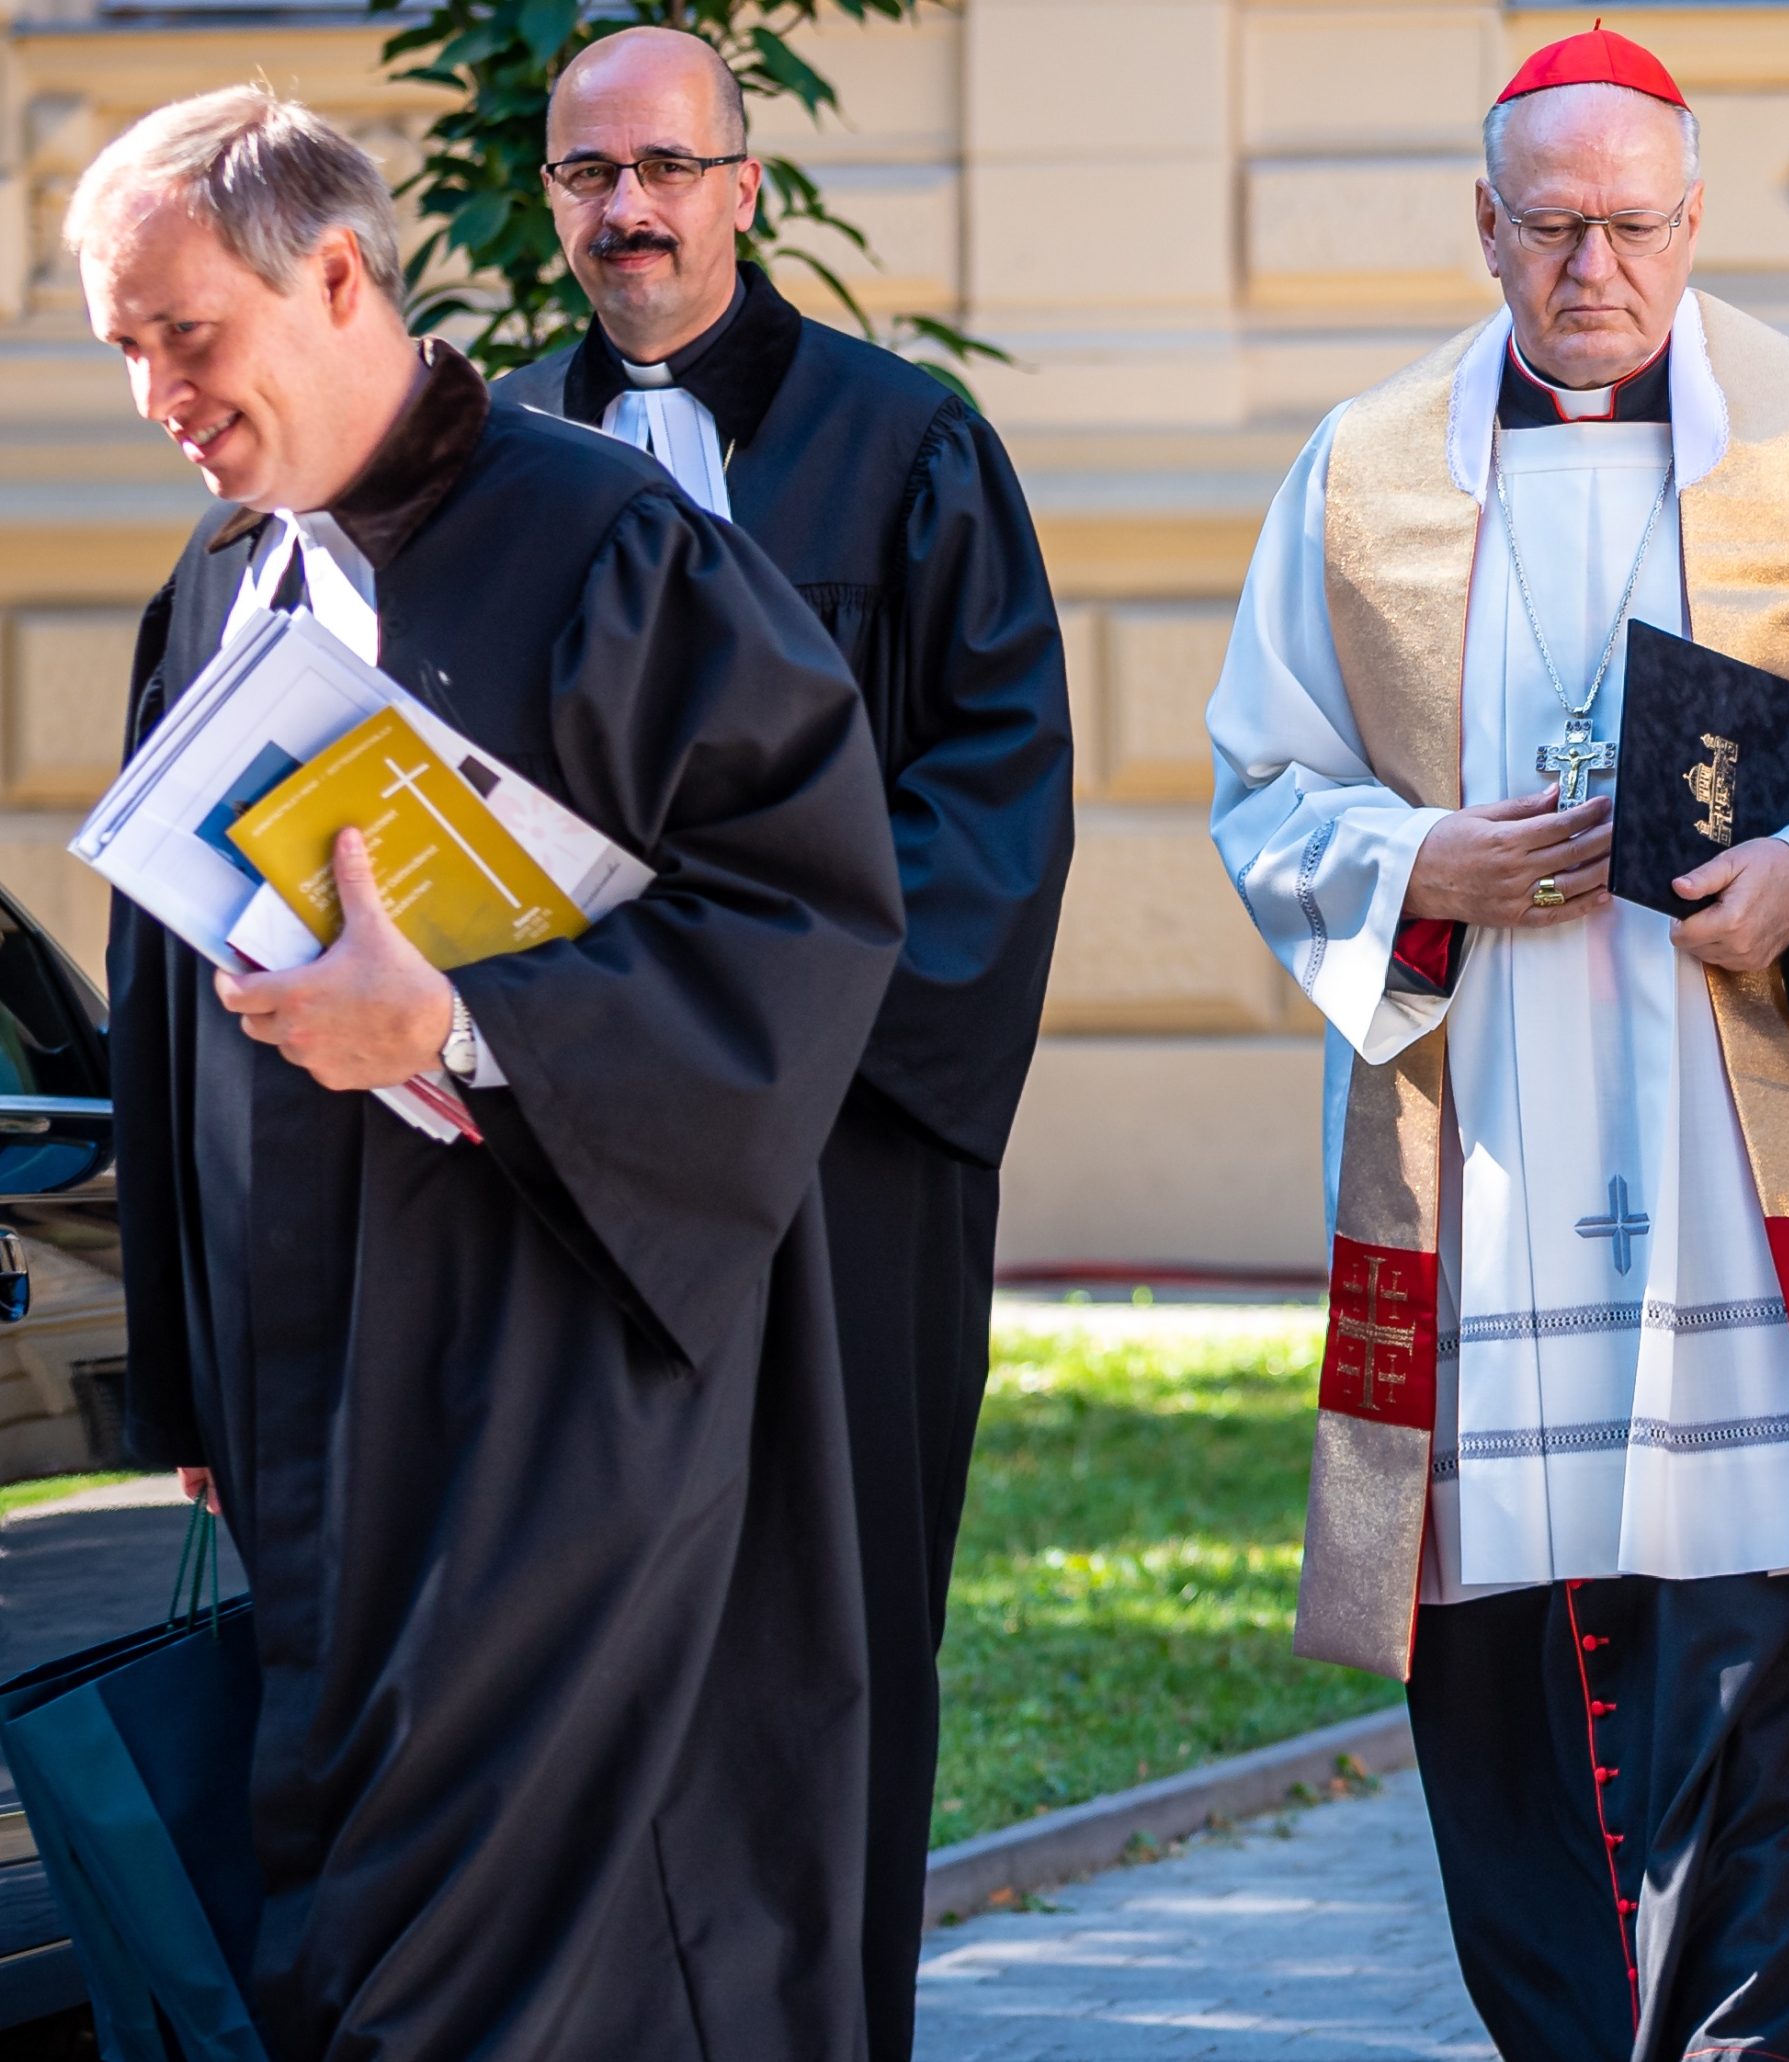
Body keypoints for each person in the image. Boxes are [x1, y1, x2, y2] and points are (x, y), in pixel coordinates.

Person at [1206, 27, 1789, 2060]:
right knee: (1511, 1682)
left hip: (1746, 1189)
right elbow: (1264, 787)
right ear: (1481, 225)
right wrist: (1428, 859)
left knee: (1768, 1644)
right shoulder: (1364, 467)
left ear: (1699, 218)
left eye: (1634, 223)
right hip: (1486, 1175)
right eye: (1552, 223)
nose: (1594, 264)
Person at [74, 85, 900, 2059]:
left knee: (500, 1951)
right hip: (303, 1399)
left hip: (555, 1379)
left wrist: (458, 1023)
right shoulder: (213, 583)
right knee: (334, 1904)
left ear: (336, 273)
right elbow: (163, 991)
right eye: (123, 352)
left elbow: (811, 911)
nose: (156, 396)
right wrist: (189, 1366)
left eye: (185, 335)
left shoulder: (611, 547)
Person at [492, 33, 1076, 2054]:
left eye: (666, 167)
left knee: (833, 1628)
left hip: (840, 1148)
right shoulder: (477, 459)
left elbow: (990, 811)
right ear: (545, 193)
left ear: (747, 181)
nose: (627, 211)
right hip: (548, 1154)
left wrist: (730, 1037)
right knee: (570, 1619)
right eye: (588, 176)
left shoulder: (903, 449)